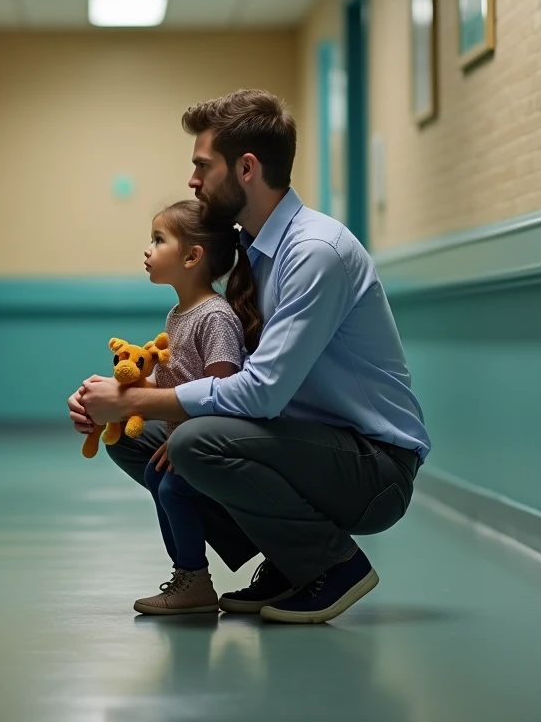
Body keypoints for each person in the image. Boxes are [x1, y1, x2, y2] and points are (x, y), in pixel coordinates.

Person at [68, 89, 431, 625]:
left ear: (246, 168)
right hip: (304, 448)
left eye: (201, 166)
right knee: (139, 438)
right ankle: (287, 559)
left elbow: (262, 392)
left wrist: (135, 397)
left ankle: (333, 565)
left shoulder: (314, 252)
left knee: (192, 438)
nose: (192, 181)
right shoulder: (254, 250)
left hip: (373, 469)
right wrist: (124, 400)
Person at [133, 199, 262, 615]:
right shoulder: (178, 314)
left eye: (158, 239)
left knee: (172, 486)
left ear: (192, 256)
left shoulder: (215, 317)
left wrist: (185, 440)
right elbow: (177, 379)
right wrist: (134, 390)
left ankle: (193, 578)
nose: (147, 250)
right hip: (185, 433)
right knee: (157, 477)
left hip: (211, 439)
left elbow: (221, 390)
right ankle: (189, 576)